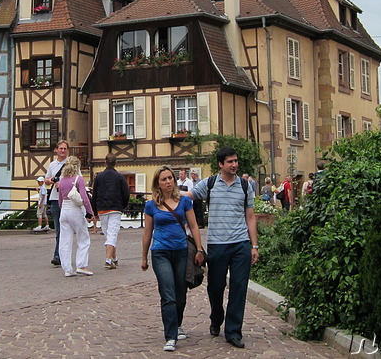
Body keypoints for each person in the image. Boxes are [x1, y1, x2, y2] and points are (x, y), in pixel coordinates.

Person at [186, 147, 258, 349]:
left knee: (239, 287)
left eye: (235, 161)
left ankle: (233, 331)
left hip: (240, 244)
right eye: (230, 162)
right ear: (220, 164)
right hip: (217, 245)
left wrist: (254, 245)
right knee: (215, 287)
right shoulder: (209, 183)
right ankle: (217, 316)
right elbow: (188, 196)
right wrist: (165, 197)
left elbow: (250, 217)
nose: (234, 165)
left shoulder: (245, 186)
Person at [141, 166, 205, 352]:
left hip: (181, 251)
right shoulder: (151, 205)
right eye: (164, 179)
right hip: (160, 252)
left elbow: (193, 226)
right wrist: (144, 257)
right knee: (167, 293)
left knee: (180, 293)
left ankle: (177, 324)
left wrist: (199, 250)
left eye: (170, 178)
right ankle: (170, 336)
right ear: (157, 184)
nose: (168, 181)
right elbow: (147, 233)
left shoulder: (184, 201)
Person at [57, 156, 95, 277]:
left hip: (64, 210)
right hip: (75, 210)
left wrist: (62, 209)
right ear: (77, 166)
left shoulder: (62, 180)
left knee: (65, 241)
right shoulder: (79, 179)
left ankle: (67, 269)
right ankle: (81, 265)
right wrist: (90, 212)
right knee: (83, 238)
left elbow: (60, 200)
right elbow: (84, 198)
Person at [92, 153, 130, 269]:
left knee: (108, 234)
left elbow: (94, 194)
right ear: (115, 163)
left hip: (102, 208)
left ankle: (114, 258)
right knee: (112, 234)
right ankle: (108, 260)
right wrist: (122, 206)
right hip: (115, 208)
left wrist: (95, 211)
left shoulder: (99, 177)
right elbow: (126, 194)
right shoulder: (119, 177)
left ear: (105, 162)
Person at [44, 140, 69, 266]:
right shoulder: (52, 165)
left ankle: (62, 254)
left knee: (66, 229)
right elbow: (46, 179)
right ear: (56, 150)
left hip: (67, 199)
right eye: (61, 148)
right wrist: (50, 180)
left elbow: (78, 180)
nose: (63, 151)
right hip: (55, 198)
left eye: (65, 148)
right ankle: (58, 255)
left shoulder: (71, 164)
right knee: (59, 229)